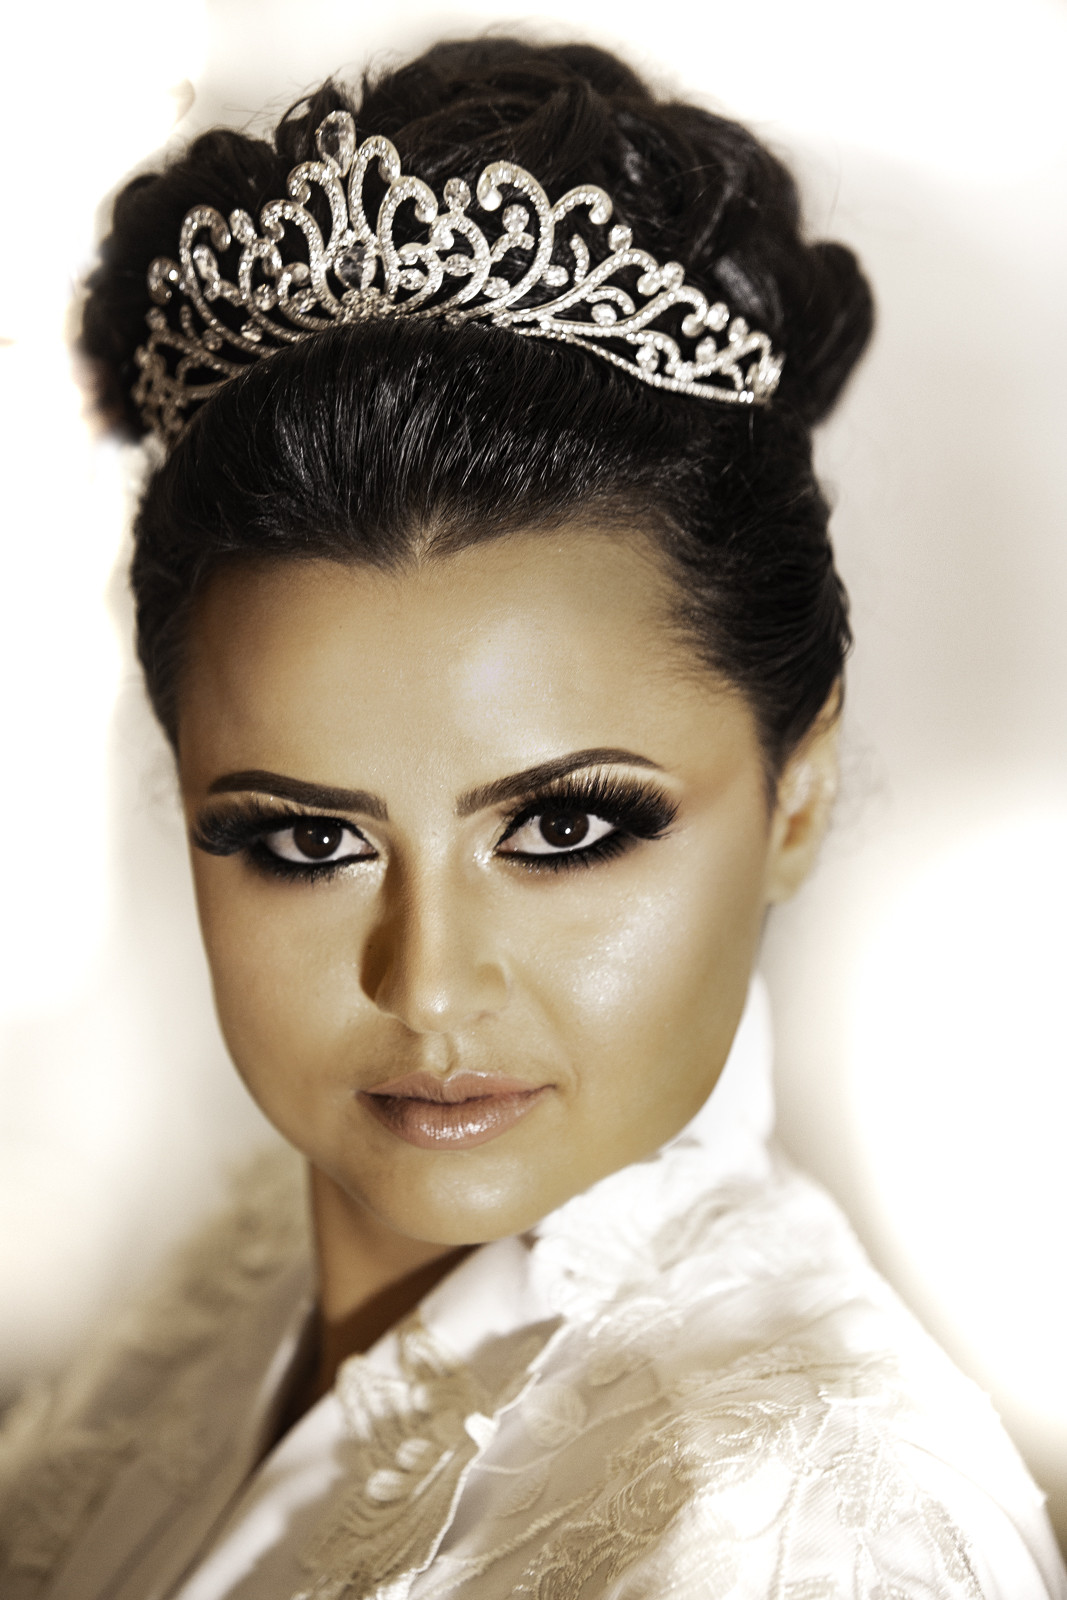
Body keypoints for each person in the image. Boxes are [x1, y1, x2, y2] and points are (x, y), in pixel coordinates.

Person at [1, 34, 1063, 1600]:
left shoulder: (803, 1538)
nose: (429, 987)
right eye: (307, 839)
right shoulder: (222, 1300)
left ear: (799, 788)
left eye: (564, 829)